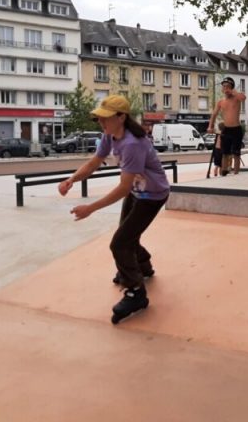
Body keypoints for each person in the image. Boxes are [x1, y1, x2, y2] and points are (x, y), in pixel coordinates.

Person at [58, 95, 170, 324]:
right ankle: (144, 266)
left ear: (121, 117)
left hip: (152, 195)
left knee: (120, 242)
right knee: (127, 235)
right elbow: (93, 162)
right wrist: (72, 180)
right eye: (99, 119)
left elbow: (123, 187)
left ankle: (136, 292)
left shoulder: (132, 144)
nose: (101, 123)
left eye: (105, 118)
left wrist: (91, 208)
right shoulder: (110, 136)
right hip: (137, 191)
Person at [208, 77, 247, 175]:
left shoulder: (236, 98)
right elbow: (214, 114)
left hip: (236, 129)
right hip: (226, 130)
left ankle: (236, 173)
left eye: (227, 87)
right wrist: (210, 126)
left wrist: (233, 91)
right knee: (225, 153)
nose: (225, 89)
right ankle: (223, 172)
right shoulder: (221, 102)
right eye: (224, 87)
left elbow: (243, 98)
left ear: (231, 88)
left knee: (236, 153)